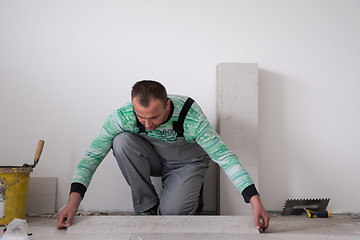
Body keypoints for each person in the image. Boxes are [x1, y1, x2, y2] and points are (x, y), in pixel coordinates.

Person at [57, 80, 270, 230]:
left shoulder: (190, 116)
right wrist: (73, 203)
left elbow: (224, 157)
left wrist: (254, 200)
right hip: (155, 159)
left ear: (167, 105)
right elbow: (92, 156)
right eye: (141, 117)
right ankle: (146, 207)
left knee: (172, 219)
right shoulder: (122, 116)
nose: (147, 124)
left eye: (154, 117)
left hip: (187, 163)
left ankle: (190, 194)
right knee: (121, 141)